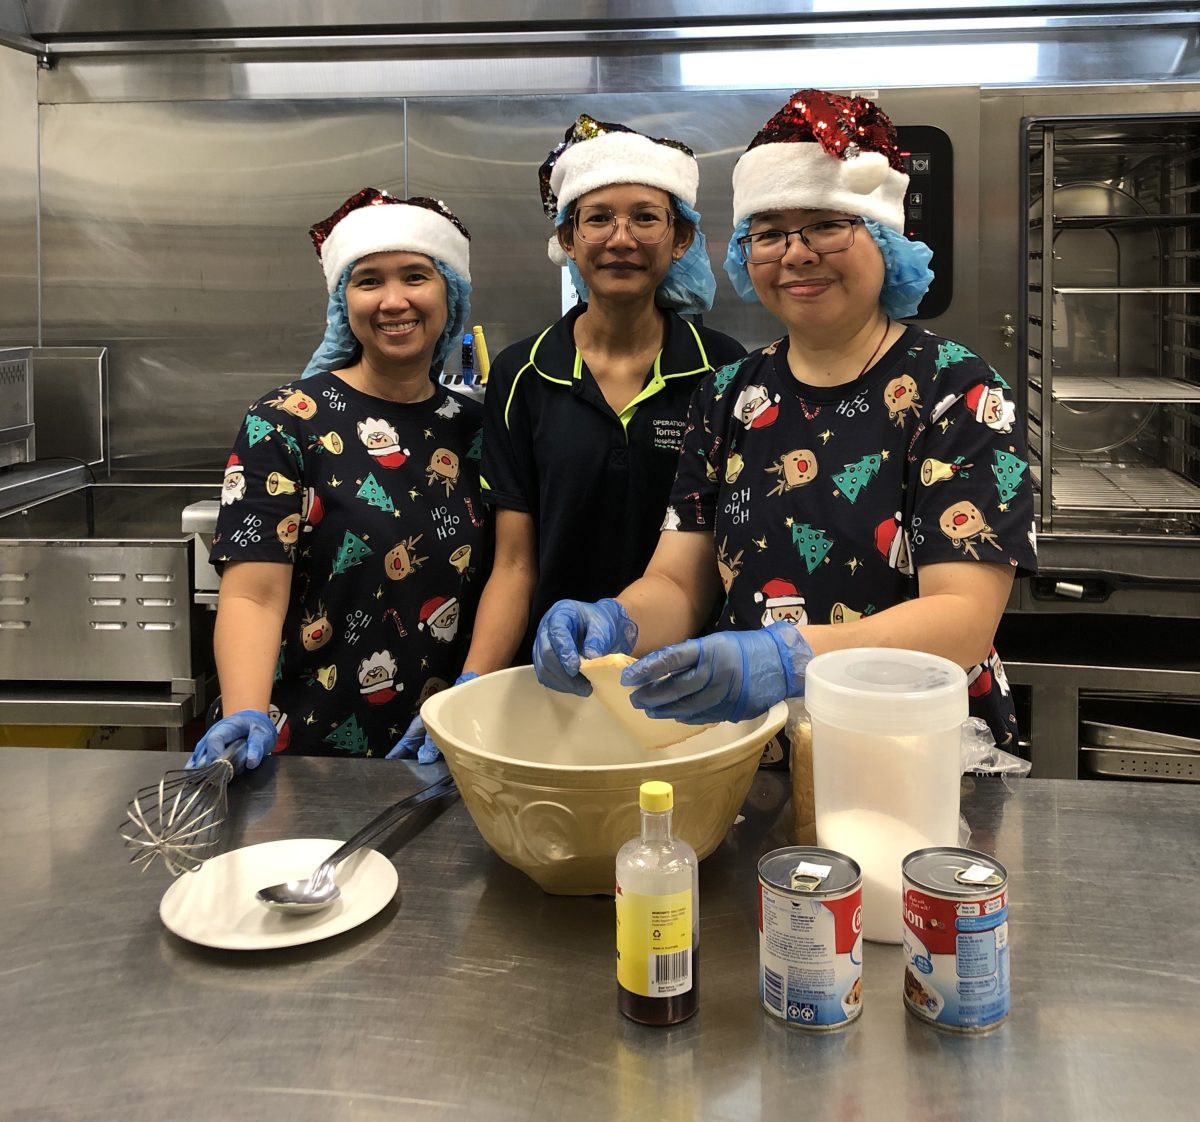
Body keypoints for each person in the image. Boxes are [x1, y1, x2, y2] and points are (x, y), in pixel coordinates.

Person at [533, 89, 1037, 751]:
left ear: (884, 235)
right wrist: (616, 621)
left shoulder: (956, 389)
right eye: (768, 233)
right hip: (765, 746)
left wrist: (786, 657)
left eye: (827, 224)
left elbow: (962, 619)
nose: (796, 254)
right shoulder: (731, 393)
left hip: (920, 748)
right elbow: (679, 578)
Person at [392, 113, 745, 760]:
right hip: (556, 684)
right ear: (568, 239)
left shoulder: (724, 372)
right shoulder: (524, 377)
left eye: (646, 217)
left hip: (693, 683)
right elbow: (515, 563)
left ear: (681, 239)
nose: (622, 239)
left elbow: (732, 548)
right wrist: (471, 685)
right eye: (598, 219)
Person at [188, 188, 487, 771]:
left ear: (451, 295)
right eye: (369, 280)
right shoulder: (284, 422)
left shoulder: (479, 430)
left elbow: (507, 574)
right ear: (342, 301)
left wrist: (474, 701)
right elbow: (253, 592)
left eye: (416, 277)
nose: (393, 300)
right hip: (300, 749)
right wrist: (244, 712)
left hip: (448, 746)